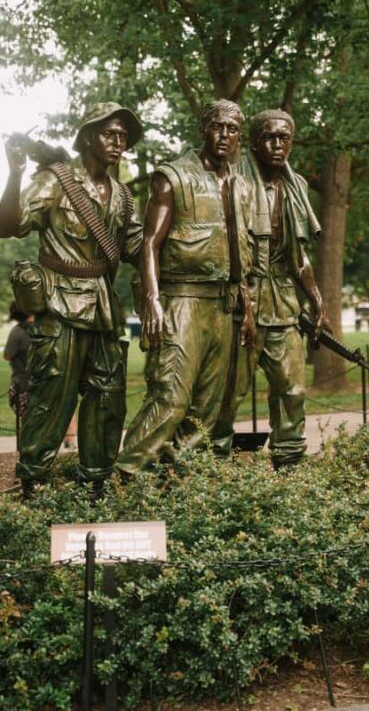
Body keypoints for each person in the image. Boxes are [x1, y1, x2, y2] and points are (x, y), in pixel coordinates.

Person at [0, 102, 143, 500]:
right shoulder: (55, 180)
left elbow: (140, 249)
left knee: (108, 398)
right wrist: (15, 174)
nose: (118, 142)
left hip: (104, 311)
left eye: (123, 136)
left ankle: (96, 482)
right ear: (87, 137)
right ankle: (34, 483)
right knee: (51, 397)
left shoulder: (124, 198)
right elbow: (8, 226)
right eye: (110, 134)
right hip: (59, 306)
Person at [116, 99, 255, 478]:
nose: (224, 136)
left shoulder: (241, 184)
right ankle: (127, 478)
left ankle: (182, 484)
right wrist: (153, 302)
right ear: (204, 130)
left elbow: (244, 249)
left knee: (208, 408)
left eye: (232, 130)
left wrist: (248, 306)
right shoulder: (172, 177)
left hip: (225, 305)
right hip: (182, 299)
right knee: (171, 397)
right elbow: (149, 244)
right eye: (217, 128)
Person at [212, 108, 328, 470]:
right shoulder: (233, 182)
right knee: (229, 393)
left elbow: (298, 256)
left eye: (285, 138)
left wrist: (317, 298)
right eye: (269, 138)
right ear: (254, 142)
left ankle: (289, 464)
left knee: (292, 390)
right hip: (239, 301)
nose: (278, 145)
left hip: (282, 302)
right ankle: (211, 464)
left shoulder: (296, 188)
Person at [4, 303, 34, 423]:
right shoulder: (44, 328)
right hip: (44, 380)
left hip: (23, 381)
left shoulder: (17, 331)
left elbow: (7, 355)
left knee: (28, 419)